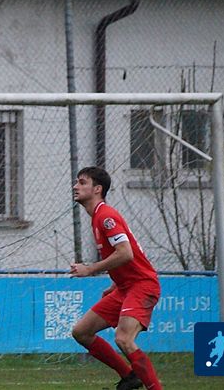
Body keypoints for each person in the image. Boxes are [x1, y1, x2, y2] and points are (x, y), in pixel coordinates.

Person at [69, 166, 162, 390]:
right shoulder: (97, 217)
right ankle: (129, 377)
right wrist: (116, 283)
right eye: (77, 182)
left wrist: (90, 269)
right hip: (125, 287)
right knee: (81, 332)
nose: (75, 186)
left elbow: (125, 253)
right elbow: (129, 256)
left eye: (82, 182)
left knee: (124, 339)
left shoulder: (106, 216)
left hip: (142, 286)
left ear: (97, 189)